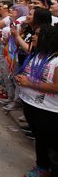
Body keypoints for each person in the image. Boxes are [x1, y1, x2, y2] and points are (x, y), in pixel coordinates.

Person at [15, 25, 58, 177]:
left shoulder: (57, 59)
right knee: (40, 140)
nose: (33, 36)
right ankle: (42, 168)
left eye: (38, 35)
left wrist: (29, 83)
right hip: (32, 105)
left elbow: (57, 86)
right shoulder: (38, 54)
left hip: (49, 111)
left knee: (52, 147)